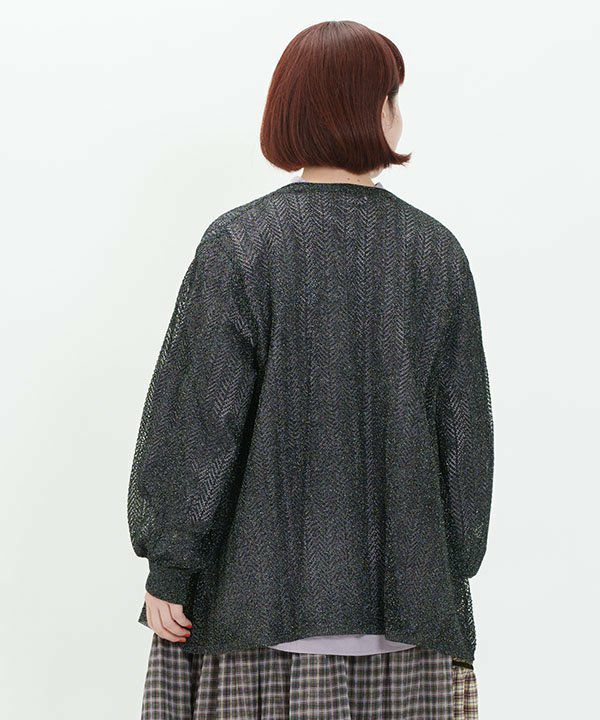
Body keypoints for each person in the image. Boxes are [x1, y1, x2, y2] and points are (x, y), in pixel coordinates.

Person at [127, 19, 493, 720]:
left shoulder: (241, 243)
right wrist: (448, 571)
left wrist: (170, 563)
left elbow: (197, 425)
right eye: (392, 96)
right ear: (372, 110)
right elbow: (465, 442)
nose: (398, 112)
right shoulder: (435, 253)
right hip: (407, 617)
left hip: (257, 614)